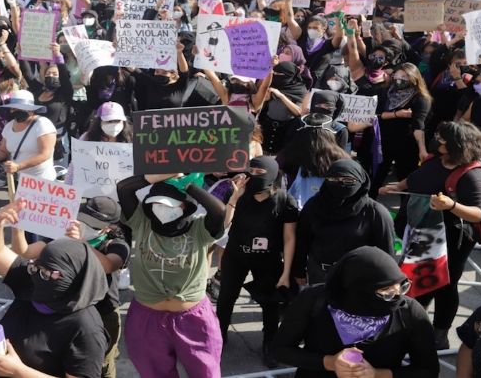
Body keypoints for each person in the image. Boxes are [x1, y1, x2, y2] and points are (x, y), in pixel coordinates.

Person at [380, 120, 481, 349]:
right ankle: (412, 328)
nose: (436, 140)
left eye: (441, 139)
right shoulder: (436, 160)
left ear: (456, 145)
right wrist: (398, 186)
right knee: (418, 280)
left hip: (451, 240)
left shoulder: (473, 174)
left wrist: (450, 205)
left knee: (444, 286)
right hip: (422, 233)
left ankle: (439, 334)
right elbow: (417, 178)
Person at [0, 202, 109, 378]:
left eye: (48, 273)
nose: (37, 275)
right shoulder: (34, 278)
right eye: (36, 267)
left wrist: (18, 372)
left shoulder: (86, 329)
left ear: (74, 278)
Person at [116, 174, 227, 378]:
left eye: (168, 204)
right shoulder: (142, 223)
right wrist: (165, 174)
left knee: (206, 373)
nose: (161, 209)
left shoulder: (200, 229)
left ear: (185, 206)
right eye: (156, 204)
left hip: (193, 320)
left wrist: (188, 184)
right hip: (146, 319)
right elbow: (124, 188)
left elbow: (219, 210)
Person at [273, 246, 439, 377]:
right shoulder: (314, 299)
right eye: (386, 293)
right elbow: (281, 350)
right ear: (357, 289)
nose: (396, 299)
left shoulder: (410, 312)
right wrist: (330, 363)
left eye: (402, 287)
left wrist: (377, 375)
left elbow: (428, 370)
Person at [216, 157, 298, 367]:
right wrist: (234, 197)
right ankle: (219, 336)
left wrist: (286, 272)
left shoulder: (284, 200)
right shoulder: (239, 193)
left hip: (267, 258)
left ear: (271, 174)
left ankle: (269, 342)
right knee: (226, 298)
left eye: (259, 172)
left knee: (270, 303)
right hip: (236, 254)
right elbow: (223, 225)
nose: (253, 175)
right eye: (250, 170)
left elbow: (289, 238)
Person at [295, 158, 395, 284]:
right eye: (334, 179)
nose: (340, 184)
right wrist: (298, 270)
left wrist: (387, 282)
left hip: (359, 278)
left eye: (348, 180)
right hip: (320, 275)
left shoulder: (375, 212)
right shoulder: (314, 206)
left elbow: (386, 252)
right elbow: (302, 241)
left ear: (361, 181)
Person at [372, 63, 432, 196]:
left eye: (404, 76)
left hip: (406, 146)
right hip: (382, 142)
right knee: (375, 178)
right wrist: (395, 115)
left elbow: (418, 124)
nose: (399, 79)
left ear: (413, 78)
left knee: (405, 181)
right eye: (397, 75)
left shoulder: (420, 99)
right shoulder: (384, 92)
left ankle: (404, 214)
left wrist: (422, 149)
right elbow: (374, 115)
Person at [0, 90, 57, 181]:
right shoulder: (9, 126)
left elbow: (45, 154)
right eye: (13, 108)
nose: (16, 111)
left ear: (31, 109)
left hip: (42, 180)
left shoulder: (43, 124)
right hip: (19, 179)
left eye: (20, 109)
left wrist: (19, 166)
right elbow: (3, 152)